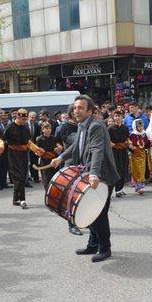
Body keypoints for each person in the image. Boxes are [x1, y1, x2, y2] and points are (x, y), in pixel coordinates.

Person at [51, 95, 119, 263]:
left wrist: (94, 174)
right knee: (90, 212)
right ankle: (93, 244)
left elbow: (97, 150)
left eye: (80, 108)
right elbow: (75, 146)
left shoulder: (96, 126)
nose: (76, 111)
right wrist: (61, 158)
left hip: (101, 176)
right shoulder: (82, 126)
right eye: (75, 108)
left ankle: (105, 248)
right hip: (88, 175)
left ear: (90, 110)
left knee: (99, 214)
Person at [55, 105, 83, 236]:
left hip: (84, 164)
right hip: (71, 163)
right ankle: (71, 224)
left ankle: (82, 220)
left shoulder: (83, 125)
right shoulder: (66, 126)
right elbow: (74, 141)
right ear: (72, 113)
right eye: (77, 111)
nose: (79, 113)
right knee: (71, 196)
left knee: (83, 195)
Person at [3, 109, 38, 209]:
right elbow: (2, 139)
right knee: (18, 177)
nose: (24, 121)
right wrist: (0, 147)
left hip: (23, 154)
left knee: (22, 176)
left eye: (25, 119)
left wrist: (37, 149)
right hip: (13, 154)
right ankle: (22, 199)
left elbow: (28, 142)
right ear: (17, 117)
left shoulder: (25, 127)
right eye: (22, 119)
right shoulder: (10, 126)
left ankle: (15, 199)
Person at [108, 110, 129, 198]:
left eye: (119, 116)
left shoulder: (125, 127)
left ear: (122, 117)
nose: (117, 118)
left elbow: (127, 138)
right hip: (115, 152)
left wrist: (128, 144)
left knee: (124, 169)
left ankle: (121, 188)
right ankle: (117, 190)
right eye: (116, 116)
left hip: (123, 150)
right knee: (118, 169)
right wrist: (113, 144)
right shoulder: (110, 128)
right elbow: (108, 141)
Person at [35, 122, 59, 193]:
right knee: (46, 178)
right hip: (44, 160)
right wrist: (39, 151)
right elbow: (36, 151)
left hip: (53, 159)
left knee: (54, 177)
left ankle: (54, 192)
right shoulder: (39, 139)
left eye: (49, 128)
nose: (48, 130)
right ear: (42, 130)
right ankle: (48, 193)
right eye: (46, 128)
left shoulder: (54, 138)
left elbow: (57, 148)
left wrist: (58, 149)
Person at [129, 119, 150, 194]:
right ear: (135, 126)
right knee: (137, 170)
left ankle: (140, 186)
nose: (140, 128)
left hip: (143, 154)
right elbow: (130, 144)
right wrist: (131, 148)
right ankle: (138, 187)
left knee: (142, 170)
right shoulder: (133, 134)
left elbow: (146, 143)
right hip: (135, 155)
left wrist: (149, 143)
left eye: (141, 126)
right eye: (139, 126)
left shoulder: (144, 133)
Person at [26, 111, 41, 184]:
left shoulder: (36, 125)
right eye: (31, 117)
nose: (32, 119)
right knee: (26, 162)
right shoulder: (24, 124)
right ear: (28, 117)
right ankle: (27, 178)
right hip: (25, 146)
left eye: (34, 118)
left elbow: (38, 135)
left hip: (34, 147)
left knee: (34, 162)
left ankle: (35, 177)